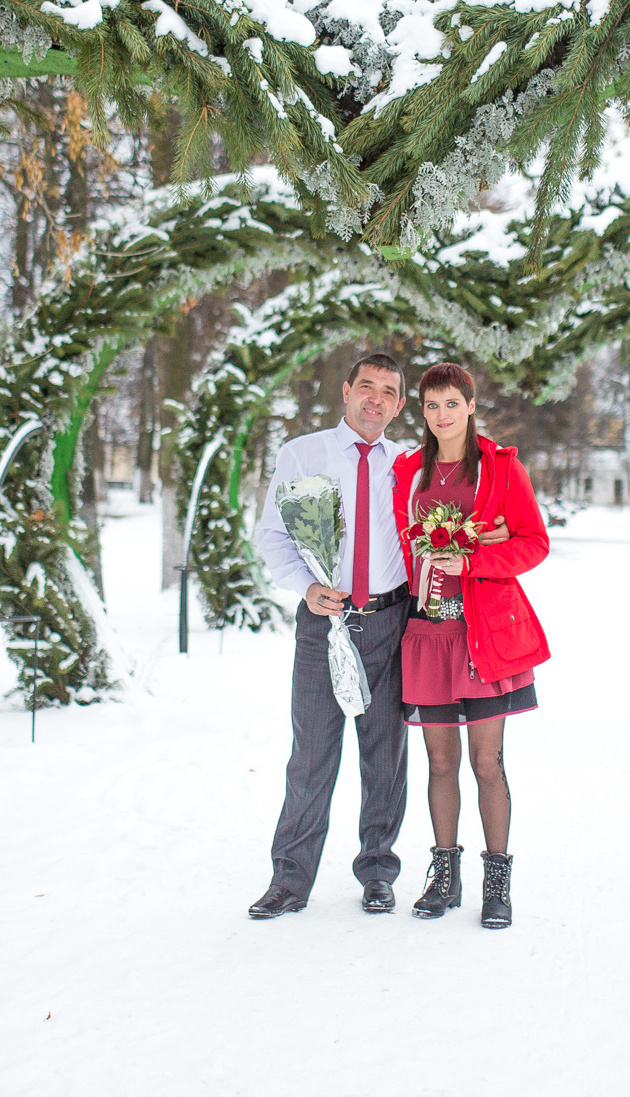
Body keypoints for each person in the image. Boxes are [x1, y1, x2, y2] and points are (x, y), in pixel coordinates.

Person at [246, 353, 413, 919]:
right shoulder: (303, 454)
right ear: (346, 391)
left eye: (388, 392)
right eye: (367, 387)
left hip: (392, 623)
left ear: (398, 405)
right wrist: (304, 587)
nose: (376, 400)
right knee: (312, 753)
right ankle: (289, 882)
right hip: (325, 622)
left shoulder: (407, 464)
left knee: (385, 755)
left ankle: (378, 873)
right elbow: (272, 535)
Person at [390, 363, 551, 929]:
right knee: (438, 761)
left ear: (471, 405)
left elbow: (534, 543)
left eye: (452, 404)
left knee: (487, 761)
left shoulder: (502, 469)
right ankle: (444, 876)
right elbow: (399, 544)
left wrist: (476, 557)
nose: (441, 416)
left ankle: (497, 879)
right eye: (431, 406)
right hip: (428, 632)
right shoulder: (409, 471)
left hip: (482, 633)